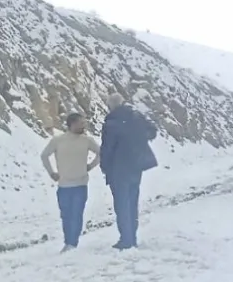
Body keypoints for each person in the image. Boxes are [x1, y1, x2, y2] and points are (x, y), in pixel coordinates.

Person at [99, 93, 158, 249]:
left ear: (111, 105)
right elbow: (152, 130)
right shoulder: (136, 116)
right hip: (136, 165)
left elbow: (107, 148)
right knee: (132, 201)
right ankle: (132, 237)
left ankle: (126, 239)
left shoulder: (111, 122)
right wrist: (139, 140)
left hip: (118, 167)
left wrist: (104, 166)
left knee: (121, 203)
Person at [41, 112, 100, 251]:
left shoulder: (87, 140)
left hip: (81, 184)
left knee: (77, 214)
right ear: (72, 124)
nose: (83, 125)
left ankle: (72, 243)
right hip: (64, 185)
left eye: (84, 123)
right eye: (81, 123)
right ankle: (68, 241)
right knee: (66, 215)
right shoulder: (58, 140)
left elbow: (101, 152)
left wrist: (91, 166)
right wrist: (51, 173)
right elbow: (44, 155)